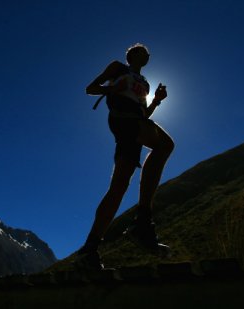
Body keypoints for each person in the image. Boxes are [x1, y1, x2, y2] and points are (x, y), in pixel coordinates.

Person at [75, 43, 175, 270]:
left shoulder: (146, 84)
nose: (147, 55)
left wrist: (157, 100)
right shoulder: (118, 67)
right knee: (165, 145)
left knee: (119, 186)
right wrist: (113, 89)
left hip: (135, 121)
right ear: (132, 54)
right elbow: (91, 88)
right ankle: (142, 222)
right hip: (122, 119)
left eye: (148, 53)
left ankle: (89, 250)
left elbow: (144, 112)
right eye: (143, 51)